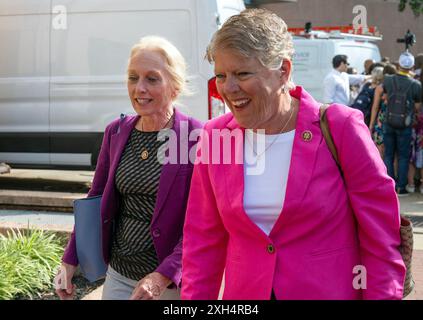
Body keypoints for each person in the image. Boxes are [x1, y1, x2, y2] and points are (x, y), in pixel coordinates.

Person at [181, 8, 405, 300]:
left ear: (283, 71)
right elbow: (202, 242)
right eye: (221, 76)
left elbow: (381, 241)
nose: (228, 88)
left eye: (242, 73)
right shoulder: (215, 136)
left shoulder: (340, 127)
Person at [55, 36, 203, 300]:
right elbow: (95, 200)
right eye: (133, 78)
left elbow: (203, 221)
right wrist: (70, 261)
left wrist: (164, 274)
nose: (140, 88)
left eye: (152, 79)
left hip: (169, 282)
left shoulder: (195, 136)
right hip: (119, 274)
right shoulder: (116, 131)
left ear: (175, 87)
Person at [382, 51, 422, 196]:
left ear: (398, 64)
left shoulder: (387, 80)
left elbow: (385, 98)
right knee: (404, 156)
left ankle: (389, 186)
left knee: (388, 155)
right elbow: (417, 107)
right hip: (405, 124)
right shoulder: (415, 84)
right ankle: (401, 187)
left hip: (389, 121)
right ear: (411, 67)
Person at [369, 63, 397, 158]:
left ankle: (382, 171)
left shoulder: (380, 87)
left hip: (383, 119)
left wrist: (371, 125)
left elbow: (375, 107)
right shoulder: (399, 86)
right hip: (396, 118)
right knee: (394, 152)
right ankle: (394, 173)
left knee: (380, 148)